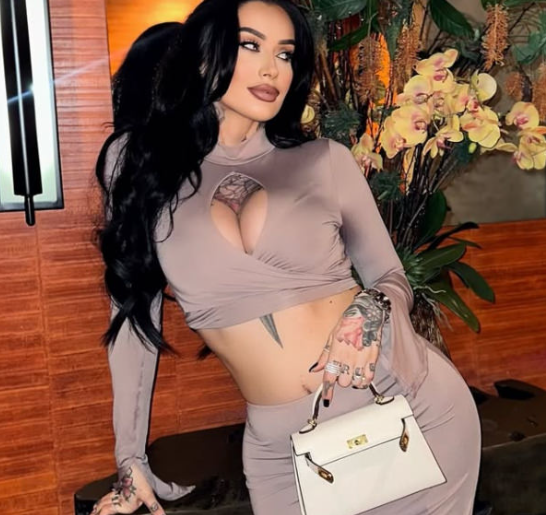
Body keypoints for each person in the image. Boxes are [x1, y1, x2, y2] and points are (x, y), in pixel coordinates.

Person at [92, 1, 481, 514]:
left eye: (285, 54)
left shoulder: (324, 161)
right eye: (251, 45)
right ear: (205, 55)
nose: (272, 68)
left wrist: (369, 310)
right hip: (284, 450)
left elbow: (390, 277)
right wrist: (130, 458)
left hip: (410, 406)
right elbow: (131, 320)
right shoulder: (137, 165)